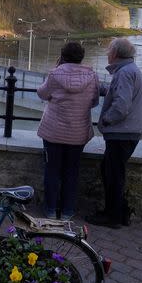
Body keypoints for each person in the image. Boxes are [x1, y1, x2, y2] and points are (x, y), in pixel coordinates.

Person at [36, 42, 100, 220]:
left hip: (53, 132)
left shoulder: (55, 74)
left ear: (62, 56)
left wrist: (57, 69)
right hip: (78, 133)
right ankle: (67, 212)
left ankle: (50, 209)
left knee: (52, 170)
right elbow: (94, 101)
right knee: (72, 172)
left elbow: (42, 94)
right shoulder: (92, 76)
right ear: (81, 57)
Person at [87, 38, 142, 229]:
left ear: (116, 54)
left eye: (109, 50)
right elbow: (119, 94)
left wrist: (106, 119)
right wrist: (101, 88)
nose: (107, 53)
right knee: (110, 171)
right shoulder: (129, 70)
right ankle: (120, 212)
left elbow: (122, 106)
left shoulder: (125, 73)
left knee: (113, 175)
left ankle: (113, 217)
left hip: (122, 133)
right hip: (127, 132)